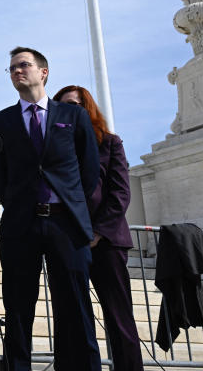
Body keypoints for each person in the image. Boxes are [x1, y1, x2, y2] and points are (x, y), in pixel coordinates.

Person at [0, 46, 100, 370]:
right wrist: (21, 203)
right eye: (11, 68)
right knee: (19, 308)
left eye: (23, 65)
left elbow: (89, 170)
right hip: (22, 225)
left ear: (43, 72)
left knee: (75, 306)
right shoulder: (1, 120)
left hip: (66, 224)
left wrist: (69, 202)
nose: (17, 72)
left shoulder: (73, 116)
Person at [53, 85, 143, 371]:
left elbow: (120, 194)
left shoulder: (110, 143)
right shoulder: (55, 148)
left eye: (76, 104)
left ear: (87, 107)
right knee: (72, 315)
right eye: (64, 105)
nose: (71, 110)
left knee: (118, 317)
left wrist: (98, 232)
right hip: (69, 240)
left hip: (106, 241)